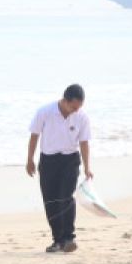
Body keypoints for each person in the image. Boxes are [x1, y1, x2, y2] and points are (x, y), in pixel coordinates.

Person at [25, 84, 93, 253]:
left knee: (66, 197)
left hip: (70, 160)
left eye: (79, 108)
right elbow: (34, 135)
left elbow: (84, 143)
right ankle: (58, 240)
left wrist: (87, 167)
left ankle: (69, 238)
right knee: (51, 201)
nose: (76, 111)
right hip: (48, 161)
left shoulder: (82, 117)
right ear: (64, 101)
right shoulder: (45, 112)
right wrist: (30, 159)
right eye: (73, 107)